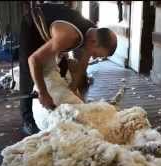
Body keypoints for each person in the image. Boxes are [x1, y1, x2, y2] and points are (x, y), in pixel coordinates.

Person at [20, 2, 117, 135]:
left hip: (53, 28)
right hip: (33, 24)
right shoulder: (69, 36)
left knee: (63, 66)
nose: (94, 57)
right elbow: (34, 60)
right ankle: (27, 120)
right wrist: (43, 93)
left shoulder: (93, 35)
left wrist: (73, 91)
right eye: (97, 54)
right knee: (29, 72)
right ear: (94, 42)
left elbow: (83, 64)